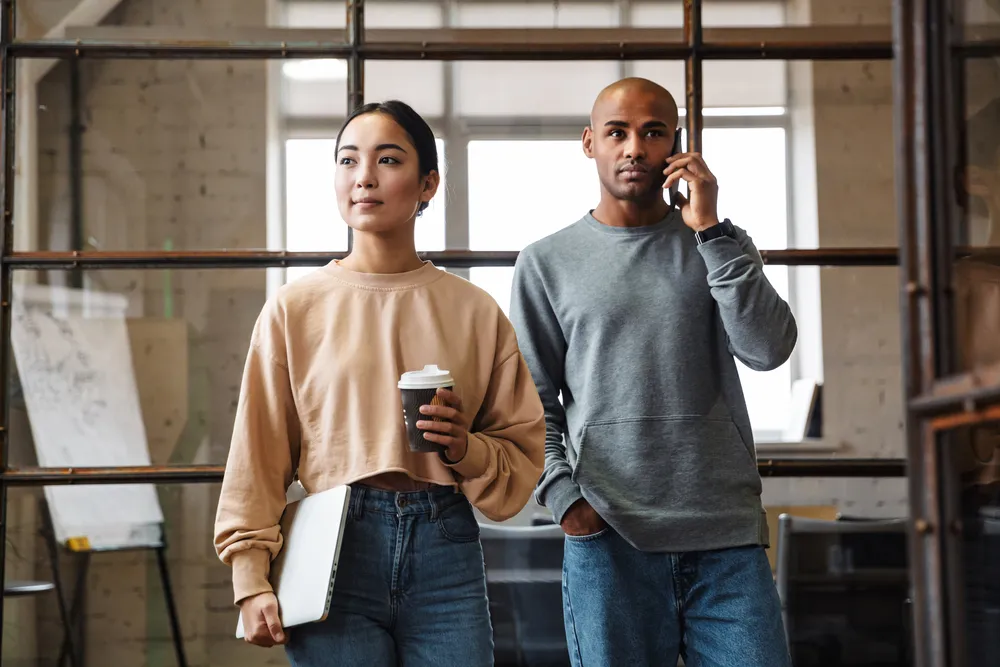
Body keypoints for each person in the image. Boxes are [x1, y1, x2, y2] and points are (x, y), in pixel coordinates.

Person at [214, 99, 546, 667]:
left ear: (428, 185)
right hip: (331, 546)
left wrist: (464, 447)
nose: (363, 176)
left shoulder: (475, 311)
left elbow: (520, 456)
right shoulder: (294, 309)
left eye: (388, 160)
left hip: (446, 546)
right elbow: (257, 453)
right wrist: (250, 576)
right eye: (348, 161)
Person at [509, 77, 797, 666]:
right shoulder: (546, 262)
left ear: (677, 146)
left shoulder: (719, 242)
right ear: (590, 143)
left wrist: (712, 231)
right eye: (617, 132)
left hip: (725, 539)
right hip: (608, 536)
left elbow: (768, 349)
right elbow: (530, 401)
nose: (634, 147)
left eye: (652, 132)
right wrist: (566, 500)